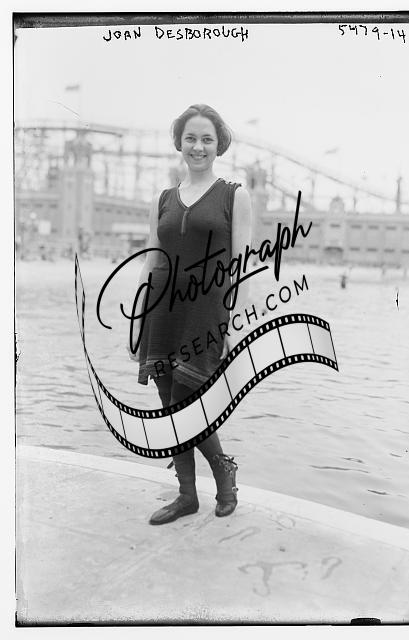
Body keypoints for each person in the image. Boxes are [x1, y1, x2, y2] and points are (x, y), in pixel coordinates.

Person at [128, 104, 252, 525]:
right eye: (191, 138)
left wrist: (235, 322)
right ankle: (187, 496)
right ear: (179, 144)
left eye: (207, 139)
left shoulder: (234, 195)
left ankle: (223, 473)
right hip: (161, 311)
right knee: (169, 406)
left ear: (219, 145)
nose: (198, 147)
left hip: (205, 313)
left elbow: (241, 264)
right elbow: (151, 260)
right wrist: (136, 319)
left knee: (188, 405)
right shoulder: (162, 199)